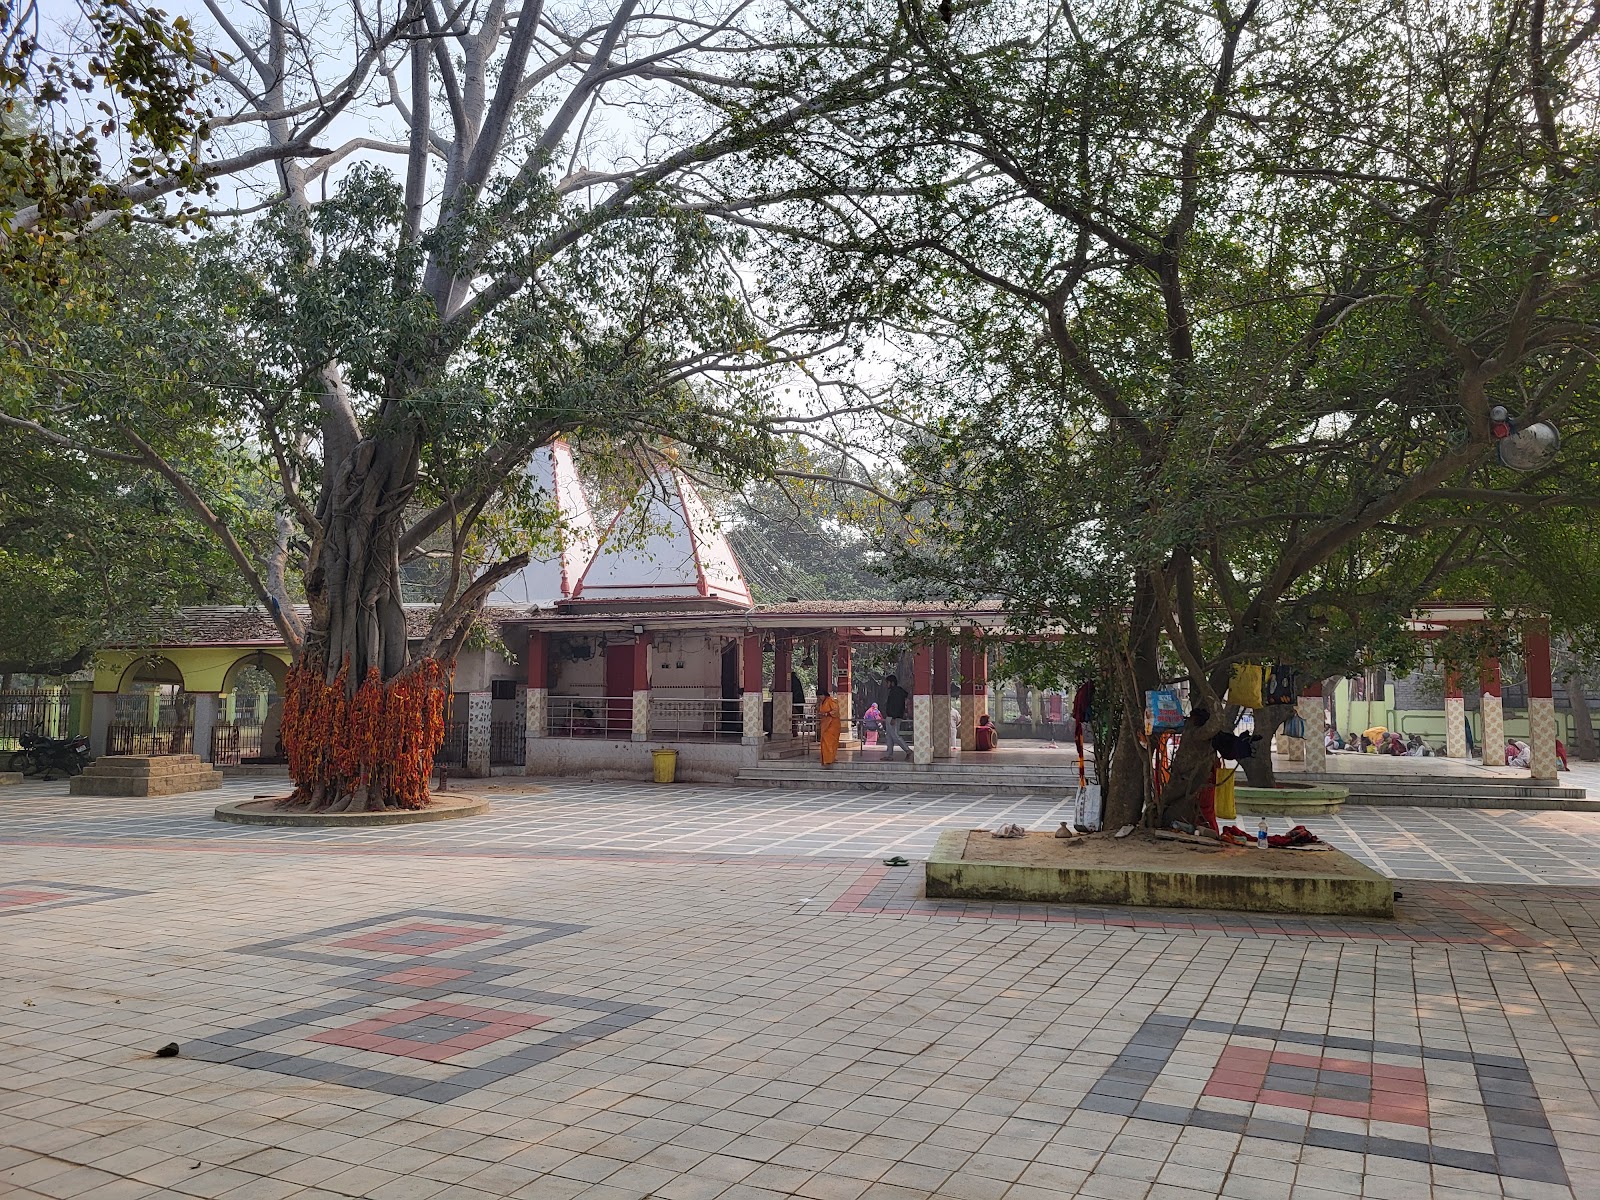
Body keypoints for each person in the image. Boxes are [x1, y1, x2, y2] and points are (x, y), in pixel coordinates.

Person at [880, 674, 912, 760]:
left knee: (895, 735)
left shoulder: (896, 692)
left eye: (888, 682)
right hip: (891, 716)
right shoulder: (896, 692)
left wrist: (894, 717)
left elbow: (897, 705)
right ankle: (889, 755)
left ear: (892, 683)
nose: (887, 685)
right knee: (889, 736)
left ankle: (908, 751)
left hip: (893, 717)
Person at [816, 687, 840, 766]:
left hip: (832, 725)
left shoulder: (831, 700)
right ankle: (826, 759)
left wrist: (827, 714)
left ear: (824, 695)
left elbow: (835, 711)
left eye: (820, 696)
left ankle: (830, 759)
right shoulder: (822, 702)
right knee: (824, 742)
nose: (820, 698)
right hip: (825, 724)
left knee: (830, 742)